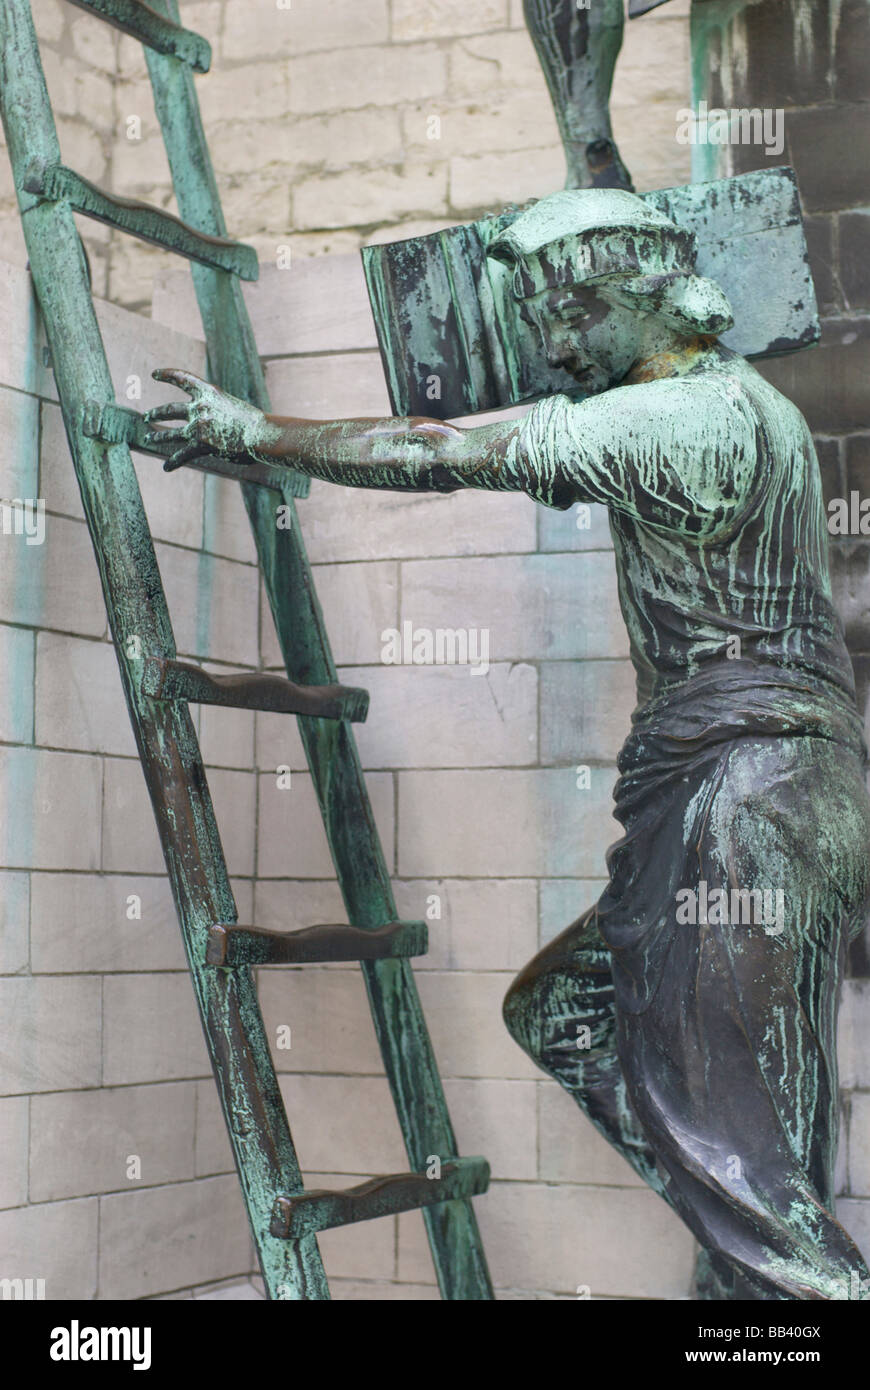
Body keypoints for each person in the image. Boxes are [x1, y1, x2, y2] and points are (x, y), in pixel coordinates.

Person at [146, 187, 870, 1300]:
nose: (556, 345)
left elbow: (435, 451)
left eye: (575, 313)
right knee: (579, 1021)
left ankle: (789, 1286)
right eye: (540, 321)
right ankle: (762, 1276)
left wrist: (257, 435)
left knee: (742, 1157)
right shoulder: (738, 403)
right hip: (767, 788)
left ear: (653, 296)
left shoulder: (684, 418)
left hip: (747, 793)